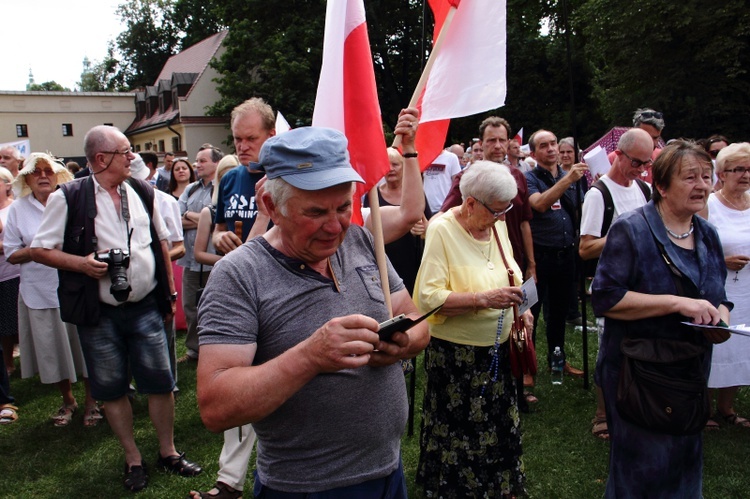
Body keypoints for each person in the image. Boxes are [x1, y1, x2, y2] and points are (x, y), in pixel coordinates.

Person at [196, 119, 428, 497]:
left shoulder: (359, 240)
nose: (336, 226)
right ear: (271, 204)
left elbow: (413, 315)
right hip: (305, 487)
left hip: (388, 470)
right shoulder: (238, 275)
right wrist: (310, 356)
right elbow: (215, 406)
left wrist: (406, 342)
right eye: (317, 212)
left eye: (343, 206)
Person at [30, 125, 202, 492]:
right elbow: (40, 250)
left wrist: (169, 296)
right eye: (126, 151)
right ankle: (132, 458)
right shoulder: (69, 197)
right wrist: (82, 264)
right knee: (110, 389)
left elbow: (159, 244)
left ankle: (168, 451)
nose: (133, 157)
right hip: (100, 313)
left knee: (161, 383)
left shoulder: (142, 190)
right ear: (100, 159)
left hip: (147, 307)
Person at [592, 140, 731, 497]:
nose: (701, 185)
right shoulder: (631, 229)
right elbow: (606, 298)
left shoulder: (708, 235)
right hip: (637, 373)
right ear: (662, 186)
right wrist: (676, 303)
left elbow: (718, 296)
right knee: (641, 471)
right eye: (690, 177)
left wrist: (721, 315)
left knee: (685, 464)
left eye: (706, 176)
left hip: (688, 369)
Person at [414, 161, 530, 497]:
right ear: (470, 204)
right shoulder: (442, 230)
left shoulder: (497, 223)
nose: (502, 216)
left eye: (507, 208)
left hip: (499, 349)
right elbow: (429, 298)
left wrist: (522, 308)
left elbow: (511, 272)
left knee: (498, 422)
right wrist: (483, 298)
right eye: (496, 210)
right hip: (457, 358)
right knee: (459, 430)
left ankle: (499, 484)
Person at [4, 153, 99, 427]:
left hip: (76, 285)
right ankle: (68, 400)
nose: (43, 176)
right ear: (26, 179)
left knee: (84, 345)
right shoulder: (17, 210)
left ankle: (92, 401)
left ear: (57, 175)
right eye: (36, 172)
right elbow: (11, 254)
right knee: (52, 348)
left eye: (48, 170)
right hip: (39, 290)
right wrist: (39, 252)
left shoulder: (70, 201)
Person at [579, 128, 654, 440]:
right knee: (609, 350)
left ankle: (635, 404)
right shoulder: (599, 194)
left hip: (644, 283)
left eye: (646, 163)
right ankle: (602, 414)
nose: (642, 169)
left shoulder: (644, 190)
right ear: (618, 155)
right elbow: (585, 248)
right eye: (636, 162)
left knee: (640, 347)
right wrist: (622, 235)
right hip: (612, 285)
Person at [526, 129, 586, 377]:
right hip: (539, 256)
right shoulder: (529, 178)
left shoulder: (570, 176)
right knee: (532, 312)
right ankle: (528, 366)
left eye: (553, 144)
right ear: (533, 153)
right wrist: (568, 180)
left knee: (559, 312)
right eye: (544, 145)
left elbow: (579, 208)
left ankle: (557, 360)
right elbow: (539, 204)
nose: (551, 149)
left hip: (566, 253)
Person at [705, 142, 750, 429]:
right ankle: (704, 409)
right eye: (739, 169)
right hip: (721, 288)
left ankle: (727, 406)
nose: (746, 175)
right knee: (718, 346)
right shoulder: (709, 205)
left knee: (741, 349)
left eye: (749, 169)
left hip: (748, 289)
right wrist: (722, 260)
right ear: (721, 173)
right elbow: (695, 247)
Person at [363, 147, 431, 293]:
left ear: (404, 166)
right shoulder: (373, 196)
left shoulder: (415, 195)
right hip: (385, 258)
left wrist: (424, 229)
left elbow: (429, 224)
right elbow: (366, 230)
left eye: (395, 164)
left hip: (412, 258)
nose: (391, 169)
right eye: (387, 165)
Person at [212, 97, 276, 254]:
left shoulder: (284, 179)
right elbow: (219, 228)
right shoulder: (229, 179)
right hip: (238, 271)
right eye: (238, 139)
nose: (243, 146)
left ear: (271, 135)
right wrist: (220, 238)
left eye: (251, 138)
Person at [178, 145, 221, 363]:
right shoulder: (191, 189)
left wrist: (192, 216)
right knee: (190, 306)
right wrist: (204, 219)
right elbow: (178, 220)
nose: (197, 165)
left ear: (216, 163)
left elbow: (220, 221)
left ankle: (214, 350)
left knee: (214, 306)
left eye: (202, 161)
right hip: (191, 261)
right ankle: (194, 351)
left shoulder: (222, 187)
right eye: (196, 161)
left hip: (215, 260)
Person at [0, 167, 20, 375]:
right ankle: (8, 362)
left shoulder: (14, 208)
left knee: (17, 320)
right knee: (3, 324)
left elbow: (19, 242)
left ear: (7, 185)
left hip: (14, 272)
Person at [423, 148, 462, 213]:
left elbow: (457, 184)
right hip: (426, 208)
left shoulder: (451, 157)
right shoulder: (422, 157)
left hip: (445, 208)